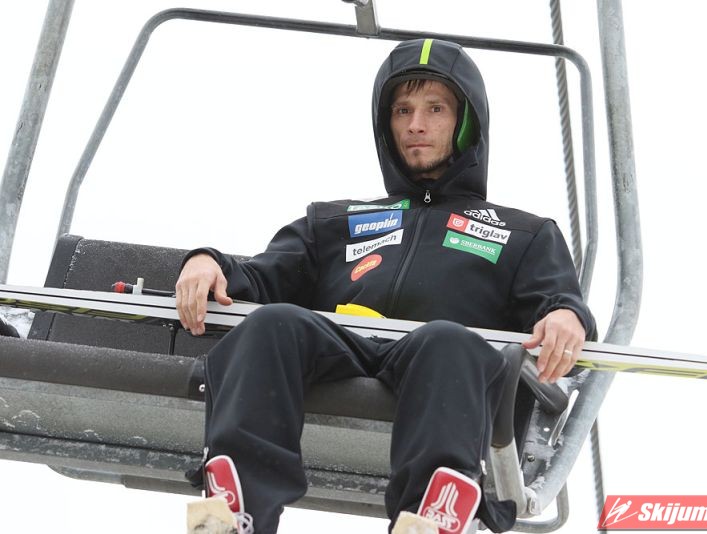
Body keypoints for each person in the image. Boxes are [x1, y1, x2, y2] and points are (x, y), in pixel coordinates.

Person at [176, 38, 595, 534]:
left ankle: (431, 515)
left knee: (447, 338)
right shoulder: (334, 221)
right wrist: (208, 262)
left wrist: (566, 316)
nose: (415, 124)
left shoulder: (522, 233)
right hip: (341, 346)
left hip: (440, 362)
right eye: (402, 110)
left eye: (435, 109)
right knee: (274, 321)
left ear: (465, 123)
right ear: (385, 123)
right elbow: (262, 278)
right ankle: (235, 509)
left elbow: (556, 300)